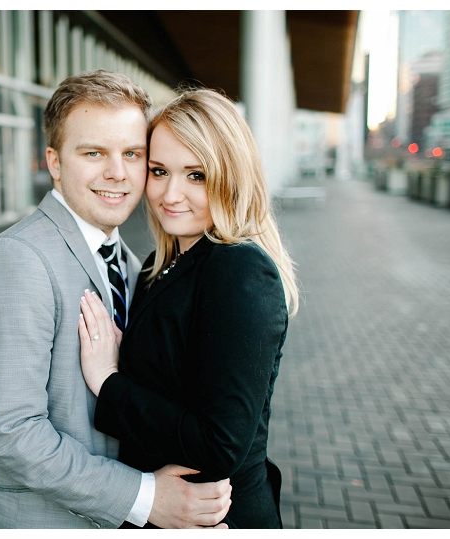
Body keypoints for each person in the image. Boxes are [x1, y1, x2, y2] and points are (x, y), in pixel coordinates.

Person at [0, 72, 231, 529]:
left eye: (132, 154)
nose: (117, 173)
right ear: (55, 162)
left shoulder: (133, 265)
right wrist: (145, 497)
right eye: (93, 153)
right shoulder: (18, 260)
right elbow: (9, 431)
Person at [78, 88, 299, 529]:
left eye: (195, 175)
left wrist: (109, 381)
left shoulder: (239, 270)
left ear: (229, 176)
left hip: (215, 518)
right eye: (159, 171)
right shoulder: (159, 265)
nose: (170, 194)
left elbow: (220, 444)